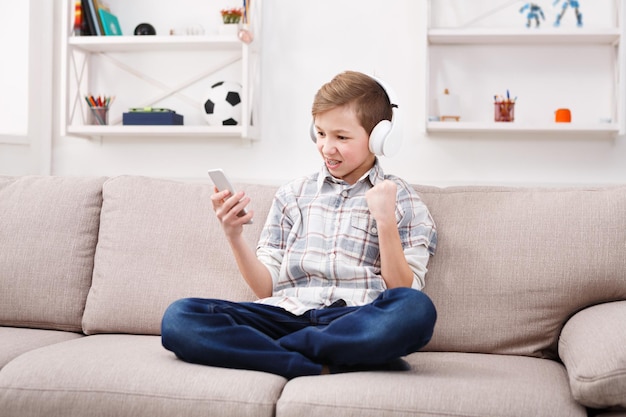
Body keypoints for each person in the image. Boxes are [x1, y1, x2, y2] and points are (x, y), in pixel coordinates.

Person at [161, 70, 438, 379]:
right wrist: (234, 235)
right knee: (180, 318)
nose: (326, 148)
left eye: (341, 137)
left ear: (379, 138)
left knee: (416, 310)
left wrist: (386, 221)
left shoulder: (405, 202)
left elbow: (402, 291)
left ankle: (278, 351)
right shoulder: (292, 196)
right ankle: (325, 361)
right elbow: (265, 287)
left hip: (355, 317)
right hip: (284, 314)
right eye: (320, 134)